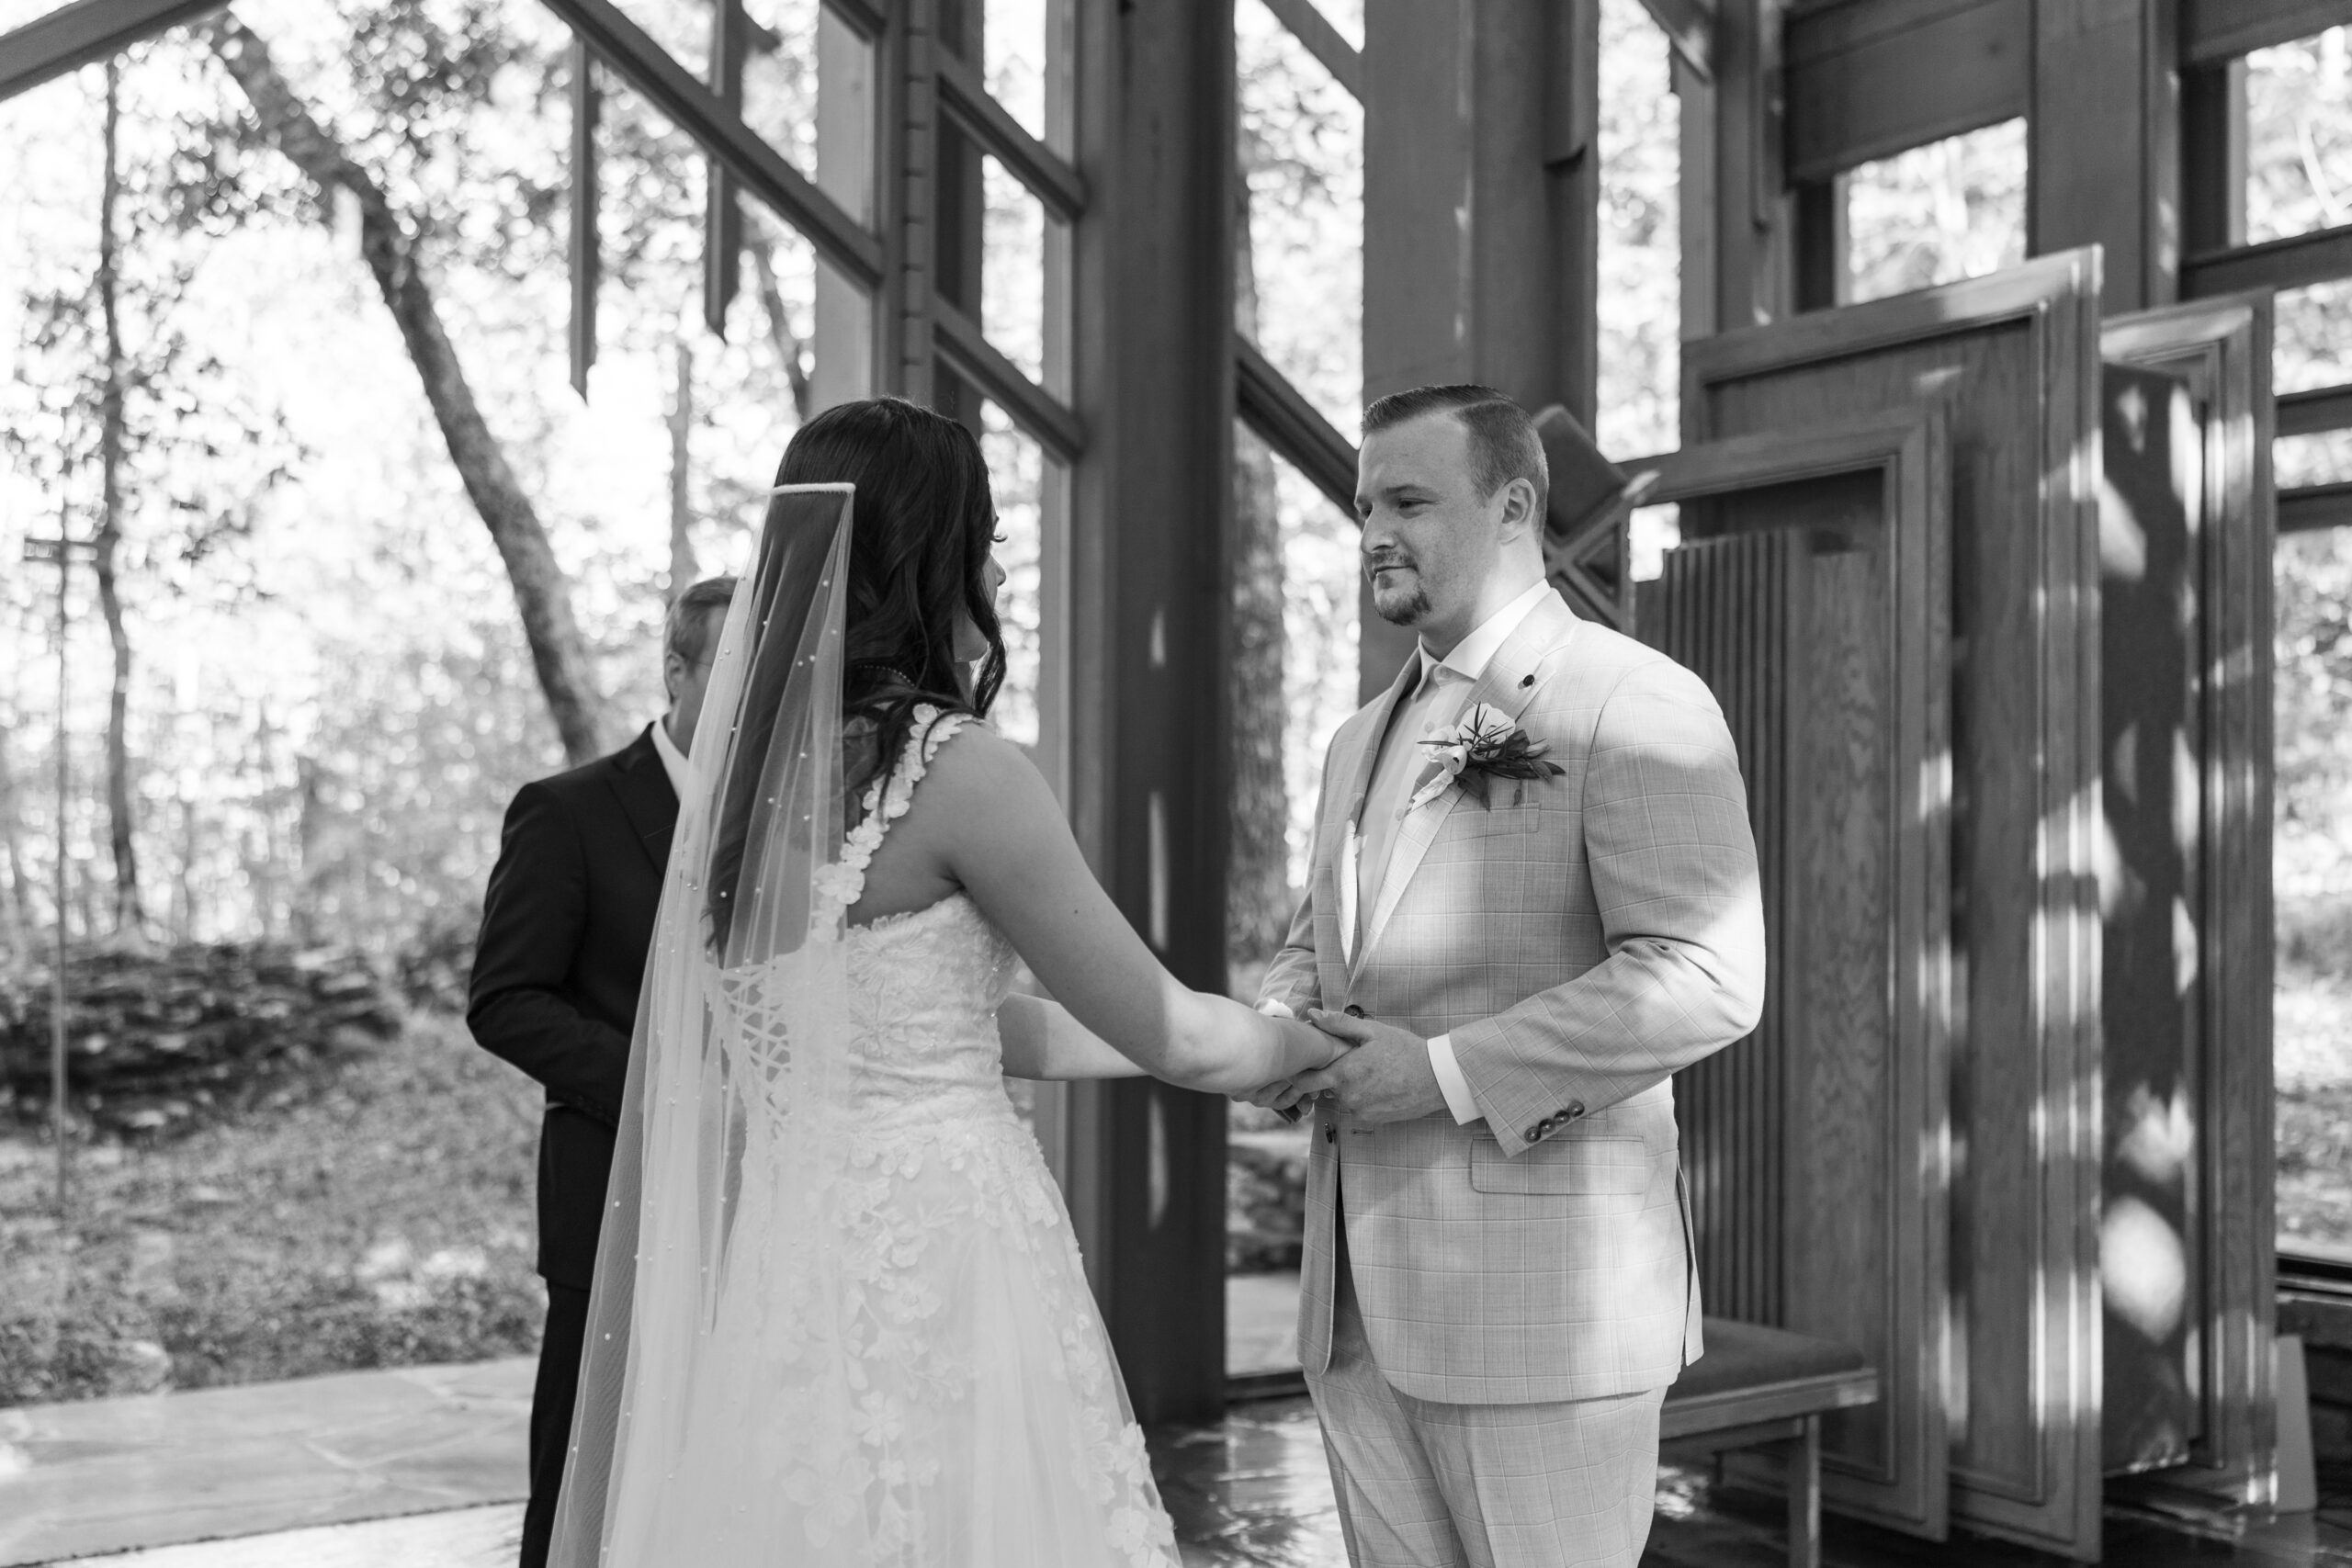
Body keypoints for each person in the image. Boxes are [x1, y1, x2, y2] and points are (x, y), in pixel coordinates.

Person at [548, 397, 1340, 1566]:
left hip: (786, 1255)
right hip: (946, 1247)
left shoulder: (727, 794)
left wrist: (1211, 1040)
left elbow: (927, 1018)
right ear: (936, 555)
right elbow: (1180, 1038)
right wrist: (1303, 1047)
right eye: (987, 541)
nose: (997, 572)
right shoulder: (960, 773)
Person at [1250, 387, 1767, 1568]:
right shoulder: (1353, 738)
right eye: (1365, 503)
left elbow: (1708, 974)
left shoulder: (1633, 698)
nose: (1376, 529)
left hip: (1545, 1313)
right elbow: (1319, 938)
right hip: (1354, 1308)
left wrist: (1439, 1074)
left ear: (1515, 506)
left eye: (1411, 501)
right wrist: (1283, 1027)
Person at [466, 574, 736, 1568]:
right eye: (736, 671)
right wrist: (668, 1092)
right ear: (676, 669)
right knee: (587, 1479)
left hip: (767, 1204)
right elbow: (503, 999)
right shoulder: (567, 812)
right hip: (616, 1195)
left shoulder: (808, 827)